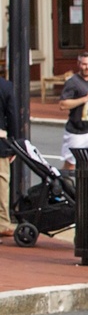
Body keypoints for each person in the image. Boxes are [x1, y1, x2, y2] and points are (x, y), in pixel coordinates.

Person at [59, 52, 88, 171]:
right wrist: (85, 98)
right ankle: (60, 185)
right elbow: (63, 104)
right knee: (71, 165)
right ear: (79, 64)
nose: (87, 67)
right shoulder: (73, 82)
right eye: (84, 64)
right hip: (76, 131)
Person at [0, 76, 15, 237]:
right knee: (2, 184)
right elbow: (12, 117)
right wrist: (13, 145)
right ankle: (3, 223)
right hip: (1, 141)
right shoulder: (6, 87)